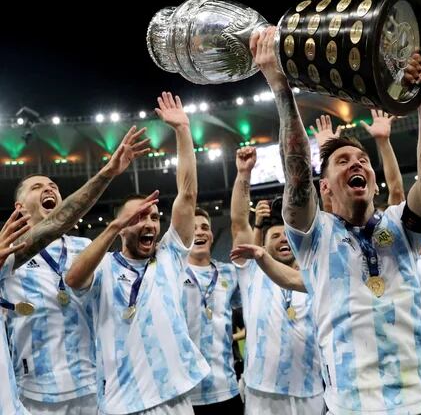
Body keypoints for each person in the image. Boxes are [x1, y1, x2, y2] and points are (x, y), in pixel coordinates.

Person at [251, 25, 421, 414]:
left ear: (374, 183)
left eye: (362, 161)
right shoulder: (313, 236)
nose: (357, 163)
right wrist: (280, 89)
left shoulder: (401, 226)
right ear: (324, 189)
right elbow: (295, 172)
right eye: (342, 161)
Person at [66, 92, 210, 415]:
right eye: (138, 218)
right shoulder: (102, 267)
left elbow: (188, 195)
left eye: (154, 217)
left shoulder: (170, 255)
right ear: (121, 226)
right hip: (124, 405)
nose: (149, 223)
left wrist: (183, 131)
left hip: (176, 399)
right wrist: (114, 226)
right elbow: (73, 278)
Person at [1, 126, 150, 414]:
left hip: (90, 387)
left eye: (54, 186)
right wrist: (107, 172)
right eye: (37, 187)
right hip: (34, 394)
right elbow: (58, 222)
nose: (49, 189)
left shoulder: (85, 246)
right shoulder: (8, 251)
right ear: (19, 207)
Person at [229, 146, 324, 414]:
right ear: (264, 244)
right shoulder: (252, 274)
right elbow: (238, 223)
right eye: (275, 236)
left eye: (288, 235)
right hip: (263, 392)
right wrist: (243, 173)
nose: (283, 239)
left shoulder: (314, 274)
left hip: (311, 389)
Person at [181, 207, 243, 413]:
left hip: (226, 388)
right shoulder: (171, 274)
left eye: (204, 228)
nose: (199, 232)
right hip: (185, 392)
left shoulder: (229, 273)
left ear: (211, 235)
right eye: (193, 228)